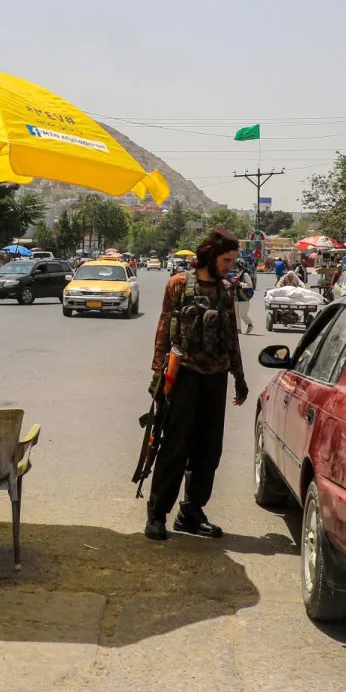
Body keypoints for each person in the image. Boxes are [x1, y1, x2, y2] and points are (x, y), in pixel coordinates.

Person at [146, 228, 249, 541]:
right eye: (226, 259)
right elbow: (164, 329)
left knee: (209, 450)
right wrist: (157, 374)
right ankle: (157, 514)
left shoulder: (227, 289)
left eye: (232, 260)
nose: (230, 265)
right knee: (175, 446)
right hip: (184, 375)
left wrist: (239, 376)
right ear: (210, 256)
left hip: (214, 378)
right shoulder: (179, 284)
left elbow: (232, 335)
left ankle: (190, 512)